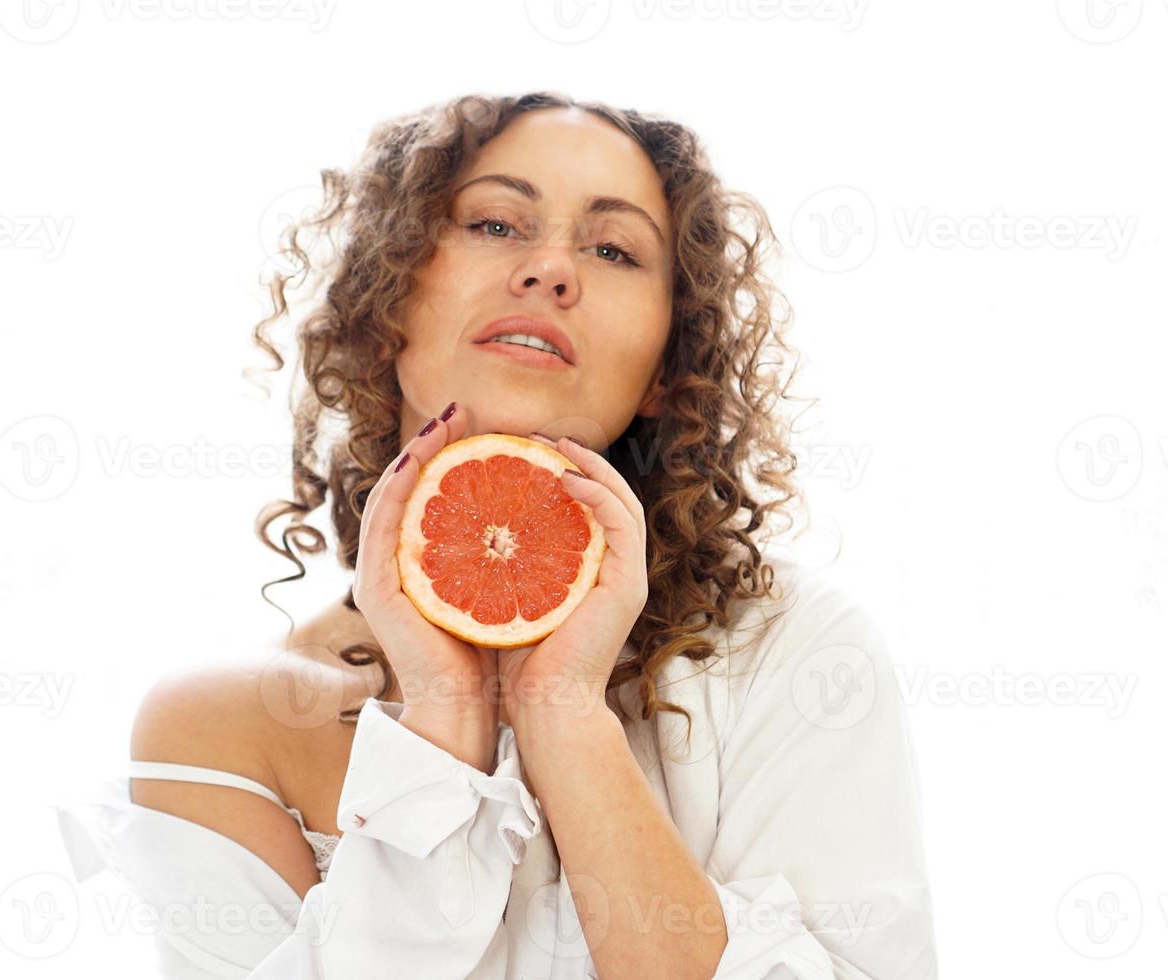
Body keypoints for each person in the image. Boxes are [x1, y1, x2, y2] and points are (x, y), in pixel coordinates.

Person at [55, 91, 938, 979]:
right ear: (385, 298)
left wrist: (568, 719)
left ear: (669, 370)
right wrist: (442, 720)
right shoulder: (224, 727)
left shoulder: (798, 654)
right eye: (493, 224)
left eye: (612, 249)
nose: (552, 271)